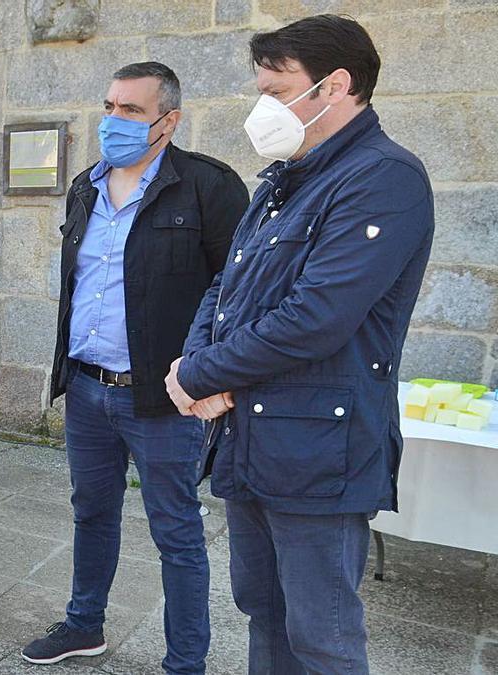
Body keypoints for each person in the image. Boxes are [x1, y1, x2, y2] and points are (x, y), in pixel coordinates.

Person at [165, 15, 434, 673]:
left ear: (335, 86)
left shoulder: (383, 178)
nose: (263, 108)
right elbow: (222, 289)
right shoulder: (283, 182)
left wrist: (199, 374)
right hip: (251, 443)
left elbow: (316, 317)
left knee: (322, 639)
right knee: (266, 615)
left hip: (318, 454)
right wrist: (197, 363)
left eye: (277, 90)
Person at [22, 63, 248, 672]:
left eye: (131, 111)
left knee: (176, 532)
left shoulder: (208, 186)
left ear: (167, 121)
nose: (113, 120)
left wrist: (209, 373)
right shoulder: (85, 186)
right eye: (110, 106)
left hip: (164, 397)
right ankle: (83, 624)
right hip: (89, 387)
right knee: (91, 510)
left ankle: (185, 663)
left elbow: (237, 287)